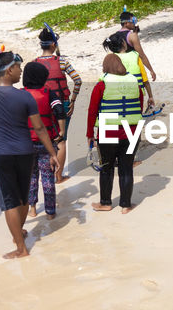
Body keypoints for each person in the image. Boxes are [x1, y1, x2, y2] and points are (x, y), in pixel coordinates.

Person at [0, 51, 60, 259]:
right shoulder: (24, 96)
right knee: (23, 196)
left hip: (2, 154)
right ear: (9, 70)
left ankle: (21, 248)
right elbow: (39, 129)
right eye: (18, 67)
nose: (21, 72)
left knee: (10, 200)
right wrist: (52, 152)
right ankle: (19, 233)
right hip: (25, 151)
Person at [85, 53, 143, 213]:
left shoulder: (101, 85)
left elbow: (92, 111)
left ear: (106, 68)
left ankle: (105, 203)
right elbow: (140, 104)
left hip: (108, 131)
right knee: (126, 168)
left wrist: (90, 133)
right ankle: (126, 205)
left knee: (106, 167)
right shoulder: (135, 83)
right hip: (132, 131)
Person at [34, 26, 82, 178]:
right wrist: (73, 100)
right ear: (54, 45)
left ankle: (46, 174)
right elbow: (78, 81)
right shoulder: (62, 62)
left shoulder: (34, 64)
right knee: (61, 139)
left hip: (42, 106)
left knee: (45, 137)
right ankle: (59, 177)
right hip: (63, 104)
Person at [21, 61, 61, 220]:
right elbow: (59, 110)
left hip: (26, 144)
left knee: (31, 177)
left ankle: (32, 209)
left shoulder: (20, 94)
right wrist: (61, 131)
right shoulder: (49, 93)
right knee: (47, 178)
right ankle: (51, 213)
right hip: (46, 143)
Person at [114, 11, 158, 114]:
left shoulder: (115, 36)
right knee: (144, 80)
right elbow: (141, 55)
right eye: (133, 21)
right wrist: (151, 70)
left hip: (120, 66)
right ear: (126, 23)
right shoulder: (132, 36)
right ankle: (150, 99)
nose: (135, 22)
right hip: (134, 64)